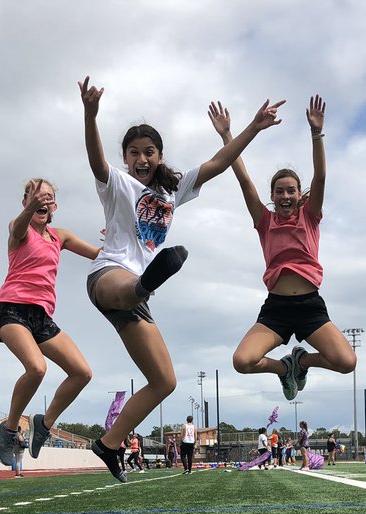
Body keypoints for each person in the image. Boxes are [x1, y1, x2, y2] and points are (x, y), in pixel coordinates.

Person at [78, 76, 283, 481]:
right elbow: (96, 161)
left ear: (159, 155)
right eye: (133, 152)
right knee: (124, 286)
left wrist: (253, 129)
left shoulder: (172, 190)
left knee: (164, 381)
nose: (141, 159)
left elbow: (219, 163)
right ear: (125, 157)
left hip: (137, 294)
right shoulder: (117, 184)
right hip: (110, 276)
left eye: (149, 152)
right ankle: (145, 284)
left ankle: (108, 443)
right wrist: (90, 114)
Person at [209, 96, 356, 401]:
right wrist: (227, 135)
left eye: (291, 190)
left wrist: (316, 134)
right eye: (280, 191)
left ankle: (301, 361)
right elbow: (244, 179)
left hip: (310, 307)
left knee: (347, 362)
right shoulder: (265, 220)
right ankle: (283, 369)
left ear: (299, 194)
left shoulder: (309, 216)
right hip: (276, 309)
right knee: (242, 361)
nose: (286, 195)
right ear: (273, 196)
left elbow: (321, 176)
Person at [0, 178, 100, 468]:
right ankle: (10, 429)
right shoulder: (19, 229)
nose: (42, 200)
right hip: (12, 309)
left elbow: (99, 255)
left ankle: (44, 422)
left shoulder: (60, 236)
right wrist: (31, 207)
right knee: (37, 368)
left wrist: (119, 237)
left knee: (82, 372)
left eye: (48, 197)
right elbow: (17, 226)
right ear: (26, 202)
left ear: (54, 206)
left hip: (41, 316)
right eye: (35, 196)